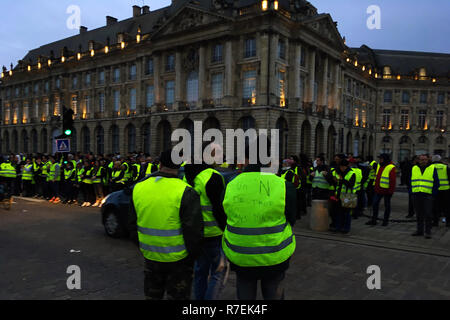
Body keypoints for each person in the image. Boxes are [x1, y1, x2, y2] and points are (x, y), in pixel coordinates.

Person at [222, 141, 297, 300]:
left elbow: (223, 217)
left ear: (245, 159)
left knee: (244, 292)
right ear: (269, 159)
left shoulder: (230, 184)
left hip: (240, 254)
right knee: (273, 291)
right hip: (275, 255)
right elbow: (292, 218)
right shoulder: (284, 186)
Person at [129, 149, 203, 300]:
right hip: (178, 260)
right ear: (179, 165)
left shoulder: (139, 187)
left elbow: (131, 223)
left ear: (160, 164)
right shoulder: (185, 191)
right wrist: (192, 257)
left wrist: (143, 245)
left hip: (150, 255)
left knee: (152, 296)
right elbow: (194, 231)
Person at [184, 160, 228, 301]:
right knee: (217, 273)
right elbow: (219, 208)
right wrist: (225, 227)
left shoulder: (187, 176)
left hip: (196, 233)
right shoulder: (213, 176)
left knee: (200, 272)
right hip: (214, 232)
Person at [411, 154, 439, 239]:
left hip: (428, 195)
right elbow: (410, 180)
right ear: (418, 160)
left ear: (428, 160)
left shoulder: (432, 168)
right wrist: (411, 191)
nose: (423, 161)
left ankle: (427, 232)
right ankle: (419, 231)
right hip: (416, 194)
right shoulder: (414, 168)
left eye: (425, 159)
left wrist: (432, 193)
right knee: (419, 214)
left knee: (428, 214)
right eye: (421, 159)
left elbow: (436, 182)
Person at [366, 154, 396, 226]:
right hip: (378, 189)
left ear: (385, 159)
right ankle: (374, 220)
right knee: (375, 204)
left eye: (381, 158)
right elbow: (377, 176)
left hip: (387, 190)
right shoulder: (379, 165)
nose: (380, 160)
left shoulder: (391, 167)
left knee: (387, 206)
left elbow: (392, 181)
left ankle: (385, 221)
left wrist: (391, 191)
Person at [329, 159, 355, 234]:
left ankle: (346, 228)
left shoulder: (352, 173)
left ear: (347, 166)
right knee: (338, 212)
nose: (342, 168)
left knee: (347, 214)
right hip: (339, 195)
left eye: (343, 167)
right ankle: (338, 227)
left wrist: (342, 180)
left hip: (349, 195)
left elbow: (351, 184)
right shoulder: (338, 172)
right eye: (341, 167)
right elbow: (335, 182)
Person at [431, 155, 450, 228]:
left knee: (435, 206)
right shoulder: (445, 167)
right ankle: (448, 222)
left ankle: (435, 222)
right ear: (440, 160)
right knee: (447, 207)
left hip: (435, 190)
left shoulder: (431, 167)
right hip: (446, 189)